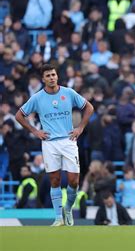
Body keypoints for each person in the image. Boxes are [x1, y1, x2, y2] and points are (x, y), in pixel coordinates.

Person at [15, 64, 94, 226]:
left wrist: (80, 127)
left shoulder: (68, 93)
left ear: (57, 76)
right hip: (49, 143)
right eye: (48, 76)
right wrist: (35, 131)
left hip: (68, 141)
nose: (51, 78)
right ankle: (58, 218)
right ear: (43, 79)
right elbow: (19, 115)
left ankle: (68, 209)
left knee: (73, 181)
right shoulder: (37, 98)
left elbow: (89, 107)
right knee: (55, 180)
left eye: (53, 75)